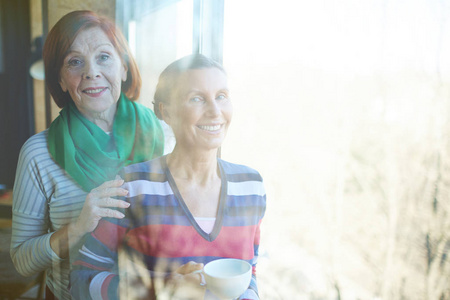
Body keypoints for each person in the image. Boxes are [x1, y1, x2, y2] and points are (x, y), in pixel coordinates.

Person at [70, 54, 266, 300]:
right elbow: (81, 279)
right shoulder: (133, 186)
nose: (215, 111)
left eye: (221, 96)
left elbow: (250, 274)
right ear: (167, 112)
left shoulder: (251, 187)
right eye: (197, 98)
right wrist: (160, 291)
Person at [10, 10, 164, 300]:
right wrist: (79, 227)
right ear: (62, 80)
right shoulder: (37, 154)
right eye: (75, 61)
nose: (91, 72)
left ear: (124, 68)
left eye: (104, 56)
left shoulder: (164, 139)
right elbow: (21, 262)